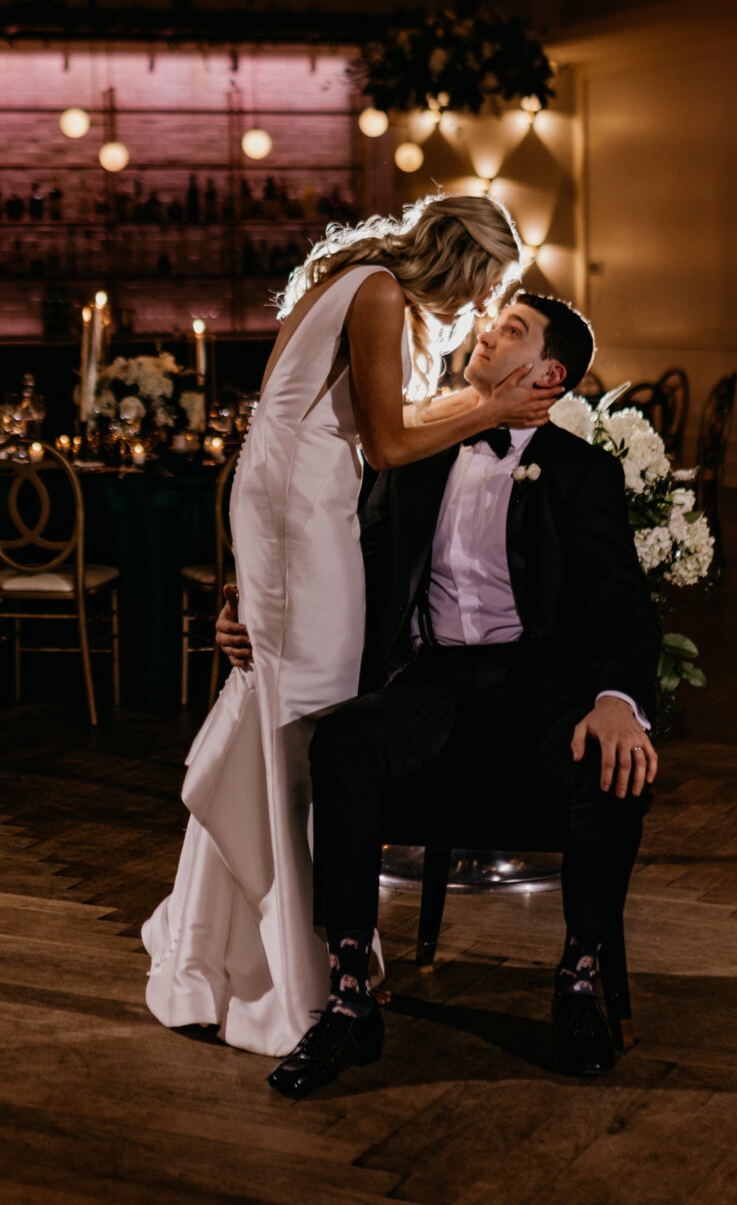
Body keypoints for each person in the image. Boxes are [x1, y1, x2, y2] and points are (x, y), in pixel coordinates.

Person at [141, 195, 557, 1060]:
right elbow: (389, 444)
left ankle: (229, 947)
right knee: (307, 712)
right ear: (464, 261)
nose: (484, 305)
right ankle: (287, 968)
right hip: (299, 518)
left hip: (289, 507)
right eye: (488, 284)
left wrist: (483, 401)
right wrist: (493, 408)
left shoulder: (361, 282)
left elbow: (359, 429)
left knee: (296, 706)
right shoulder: (376, 293)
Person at [236, 294, 663, 1096]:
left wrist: (616, 700)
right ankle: (350, 994)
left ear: (549, 374)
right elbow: (349, 567)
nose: (486, 330)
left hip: (540, 688)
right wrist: (258, 617)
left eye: (511, 329)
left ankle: (578, 978)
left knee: (612, 764)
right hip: (434, 683)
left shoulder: (582, 473)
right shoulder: (415, 455)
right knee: (345, 743)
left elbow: (624, 608)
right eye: (492, 320)